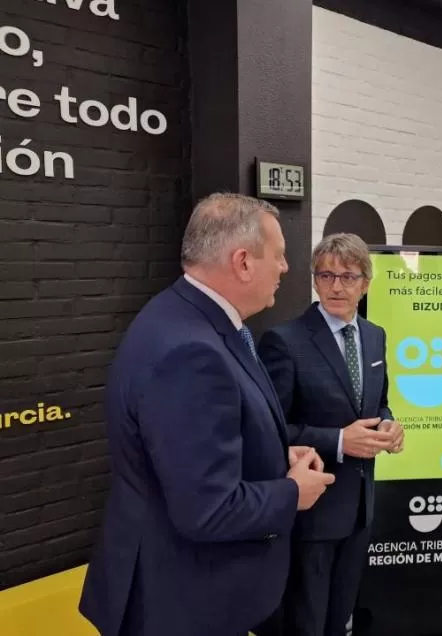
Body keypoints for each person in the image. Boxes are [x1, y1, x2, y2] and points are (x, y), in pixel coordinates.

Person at [79, 193, 336, 636]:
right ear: (243, 262)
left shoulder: (182, 316)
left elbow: (188, 455)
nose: (285, 268)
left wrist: (274, 455)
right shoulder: (192, 353)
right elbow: (208, 510)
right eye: (278, 255)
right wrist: (293, 492)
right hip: (181, 603)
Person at [257, 232, 404, 636]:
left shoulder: (374, 335)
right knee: (307, 624)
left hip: (360, 509)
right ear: (315, 281)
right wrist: (339, 441)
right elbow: (270, 430)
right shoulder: (284, 342)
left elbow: (379, 402)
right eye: (326, 276)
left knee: (340, 620)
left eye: (348, 277)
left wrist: (389, 424)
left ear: (365, 283)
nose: (336, 286)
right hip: (313, 515)